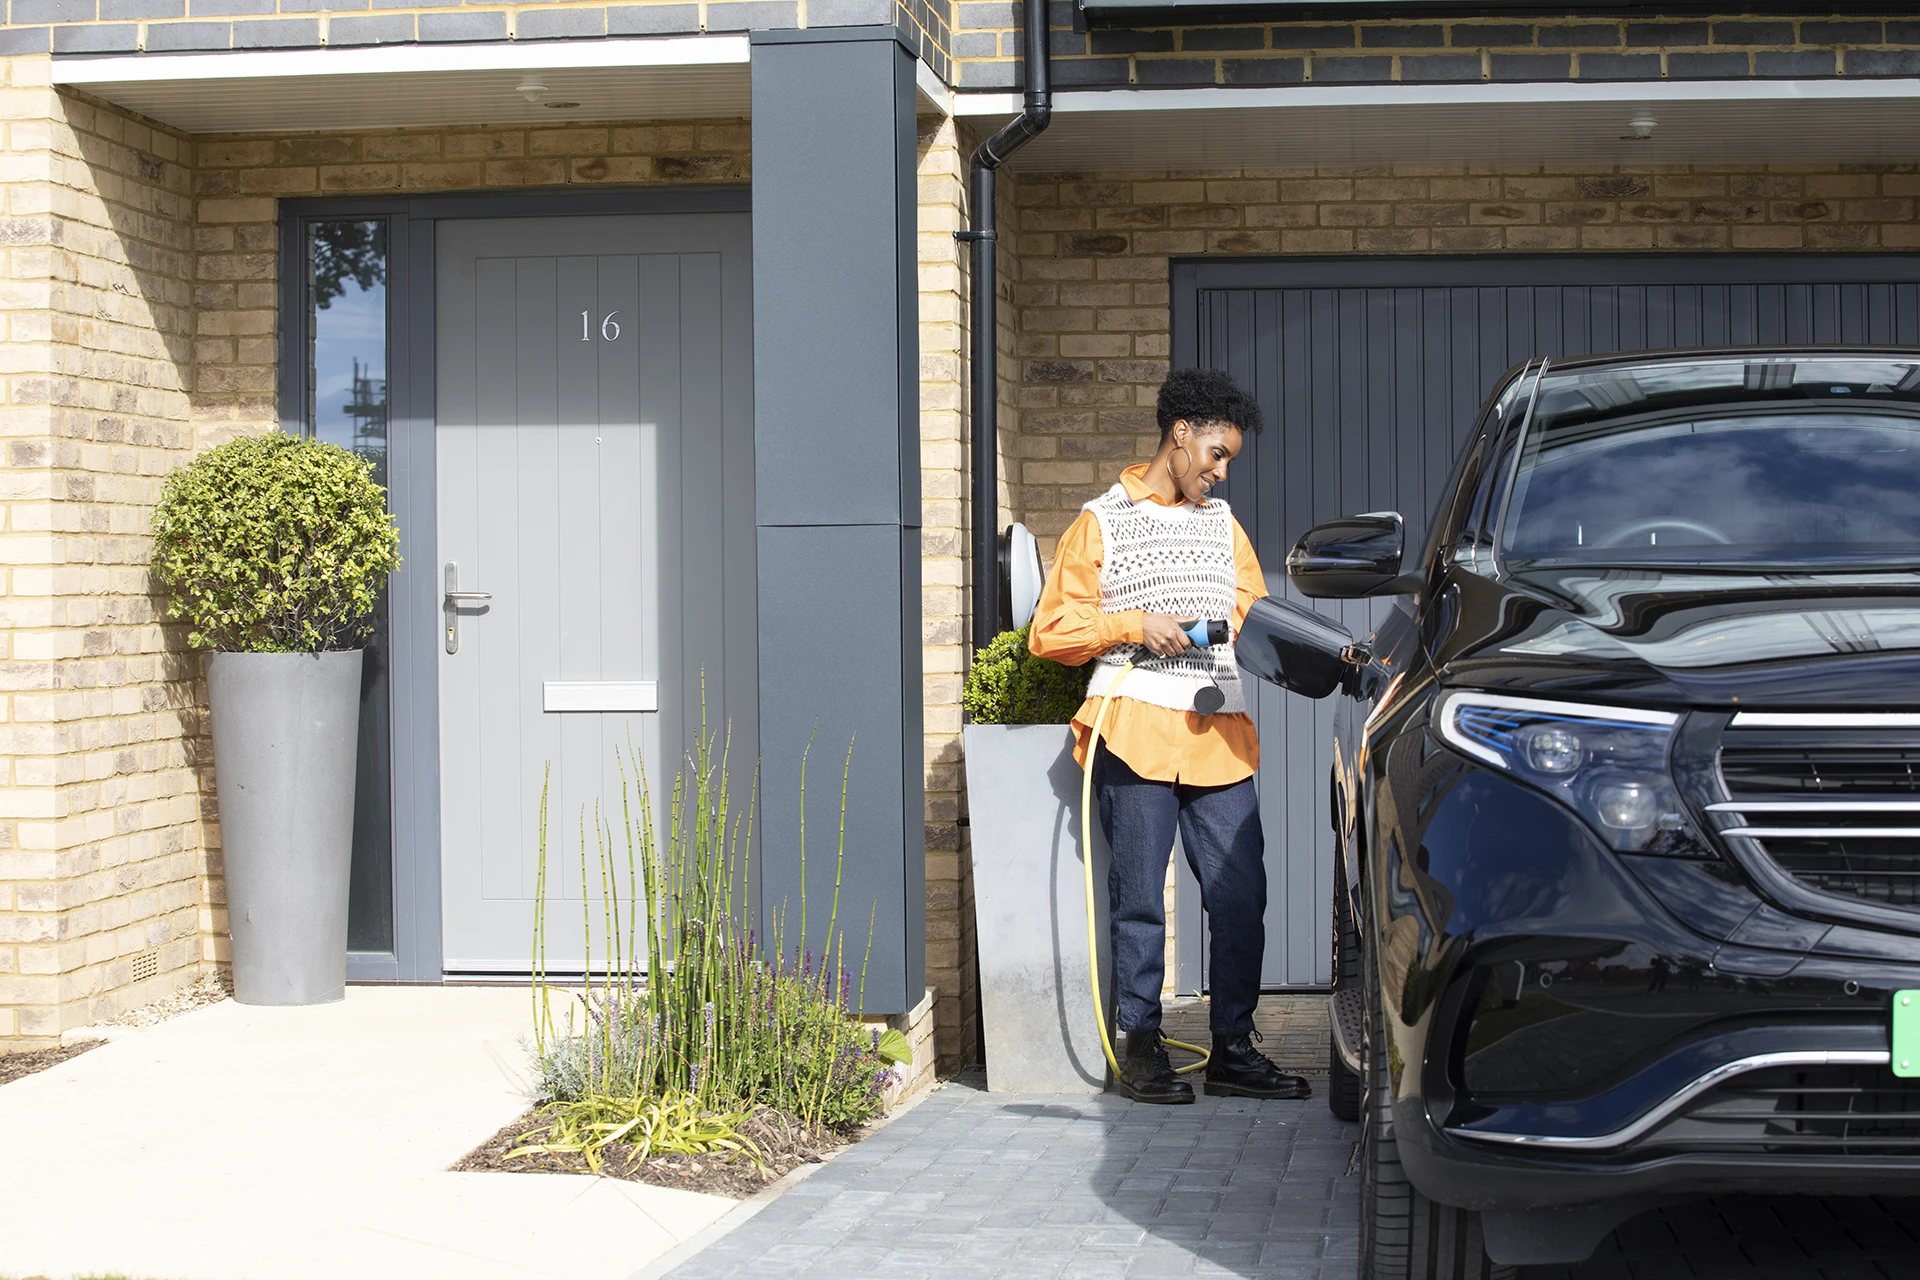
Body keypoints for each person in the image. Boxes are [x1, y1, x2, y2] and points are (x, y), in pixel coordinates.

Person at [1028, 367, 1309, 1105]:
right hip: (1135, 731)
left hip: (1218, 735)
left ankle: (1234, 1049)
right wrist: (1133, 623)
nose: (1220, 473)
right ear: (1179, 436)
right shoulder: (1103, 520)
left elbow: (1254, 618)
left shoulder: (1224, 529)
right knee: (1140, 900)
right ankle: (1142, 1046)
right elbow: (1050, 632)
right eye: (1215, 453)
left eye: (1228, 461)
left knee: (1241, 896)